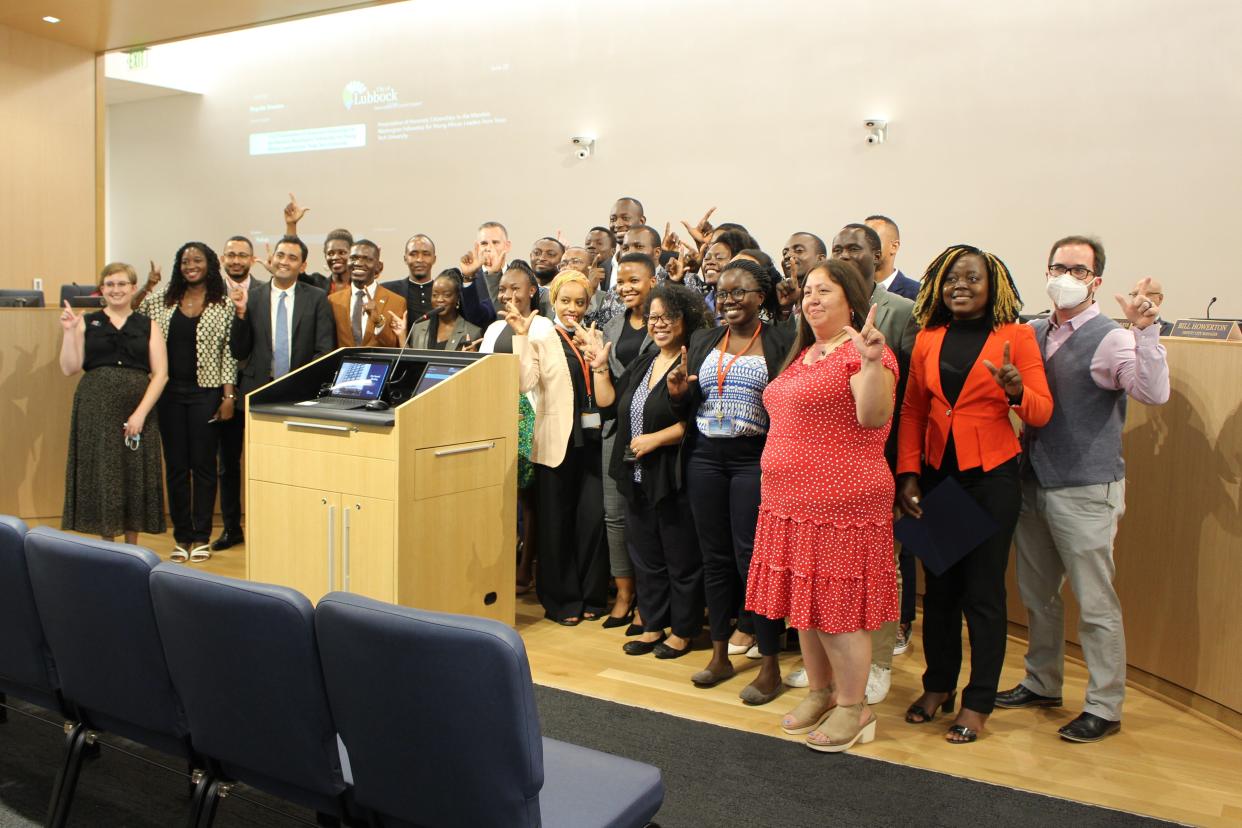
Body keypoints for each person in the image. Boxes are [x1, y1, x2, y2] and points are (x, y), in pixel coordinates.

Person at [996, 235, 1169, 743]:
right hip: (1034, 482)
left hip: (1087, 487)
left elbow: (1152, 392)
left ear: (1096, 280)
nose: (1064, 276)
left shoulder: (1111, 338)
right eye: (1057, 266)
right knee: (1037, 594)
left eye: (1077, 269)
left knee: (1094, 602)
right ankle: (1042, 680)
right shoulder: (1031, 331)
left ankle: (1105, 704)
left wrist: (1146, 331)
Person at [895, 245, 1053, 743]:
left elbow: (1042, 411)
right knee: (938, 593)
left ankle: (979, 701)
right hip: (938, 476)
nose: (959, 286)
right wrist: (907, 474)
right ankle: (938, 685)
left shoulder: (1017, 336)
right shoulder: (928, 338)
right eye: (950, 278)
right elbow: (913, 412)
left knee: (982, 595)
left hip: (991, 478)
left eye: (972, 278)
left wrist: (1013, 391)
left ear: (994, 286)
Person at [745, 259, 899, 752]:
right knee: (804, 609)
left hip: (840, 504)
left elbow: (873, 417)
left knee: (836, 614)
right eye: (807, 291)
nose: (811, 299)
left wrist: (873, 362)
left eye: (823, 291)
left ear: (851, 299)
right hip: (789, 503)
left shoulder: (863, 352)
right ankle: (822, 691)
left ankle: (855, 708)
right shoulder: (807, 353)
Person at [668, 259, 792, 702]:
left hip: (753, 460)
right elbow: (689, 404)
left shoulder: (782, 341)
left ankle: (770, 663)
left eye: (739, 292)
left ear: (762, 297)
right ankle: (720, 654)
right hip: (705, 457)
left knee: (751, 560)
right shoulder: (703, 340)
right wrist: (679, 395)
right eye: (722, 293)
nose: (729, 300)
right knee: (714, 557)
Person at [598, 283, 711, 658]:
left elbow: (697, 421)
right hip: (636, 474)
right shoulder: (644, 361)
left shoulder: (694, 361)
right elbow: (611, 405)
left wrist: (655, 439)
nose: (658, 324)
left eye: (667, 317)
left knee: (680, 557)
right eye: (652, 318)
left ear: (684, 319)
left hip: (672, 473)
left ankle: (682, 631)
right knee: (646, 554)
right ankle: (654, 624)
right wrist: (600, 369)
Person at [502, 270, 610, 624]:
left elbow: (605, 392)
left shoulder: (593, 334)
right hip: (555, 441)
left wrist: (596, 358)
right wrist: (520, 338)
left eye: (580, 302)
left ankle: (592, 594)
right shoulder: (539, 332)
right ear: (554, 300)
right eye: (566, 301)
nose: (573, 309)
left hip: (592, 443)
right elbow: (524, 383)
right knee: (556, 524)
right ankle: (562, 601)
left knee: (591, 522)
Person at [140, 242, 238, 562]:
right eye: (184, 261)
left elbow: (228, 353)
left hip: (206, 393)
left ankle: (202, 536)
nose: (190, 265)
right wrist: (147, 285)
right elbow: (135, 318)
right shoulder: (161, 300)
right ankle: (182, 536)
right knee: (177, 468)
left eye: (196, 260)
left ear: (209, 264)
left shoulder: (222, 303)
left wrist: (228, 396)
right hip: (169, 394)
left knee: (204, 466)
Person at [60, 263, 168, 545]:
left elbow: (161, 374)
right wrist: (70, 332)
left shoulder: (148, 325)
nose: (116, 290)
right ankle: (106, 546)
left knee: (133, 472)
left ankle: (132, 546)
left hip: (137, 408)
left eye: (122, 284)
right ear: (102, 289)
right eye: (110, 284)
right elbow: (69, 368)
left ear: (133, 288)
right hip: (95, 408)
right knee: (102, 470)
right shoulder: (87, 321)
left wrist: (141, 413)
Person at [479, 260, 555, 594]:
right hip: (495, 418)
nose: (508, 294)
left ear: (532, 292)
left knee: (528, 501)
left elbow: (540, 382)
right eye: (503, 288)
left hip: (531, 419)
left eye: (516, 288)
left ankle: (526, 569)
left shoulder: (543, 328)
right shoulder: (494, 329)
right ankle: (500, 564)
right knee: (499, 500)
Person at [598, 253, 661, 632]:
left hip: (652, 432)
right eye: (621, 282)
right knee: (614, 517)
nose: (626, 288)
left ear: (652, 281)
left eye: (634, 280)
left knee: (646, 518)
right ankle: (624, 592)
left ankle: (649, 603)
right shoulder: (612, 323)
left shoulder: (665, 321)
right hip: (614, 431)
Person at [229, 235, 337, 396]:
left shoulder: (317, 298)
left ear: (302, 266)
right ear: (272, 259)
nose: (284, 262)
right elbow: (239, 352)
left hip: (301, 389)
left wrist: (305, 381)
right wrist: (240, 314)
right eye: (280, 255)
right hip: (257, 388)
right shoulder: (252, 297)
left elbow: (325, 349)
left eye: (292, 258)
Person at [213, 234, 261, 552]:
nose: (236, 260)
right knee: (227, 464)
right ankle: (232, 528)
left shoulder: (265, 293)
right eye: (231, 255)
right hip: (221, 390)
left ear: (252, 260)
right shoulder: (211, 293)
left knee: (262, 464)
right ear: (222, 258)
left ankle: (264, 526)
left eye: (242, 255)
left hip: (258, 387)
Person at [328, 240, 405, 347]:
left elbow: (395, 346)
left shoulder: (396, 302)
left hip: (379, 363)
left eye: (367, 259)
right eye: (353, 258)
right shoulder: (333, 300)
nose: (358, 263)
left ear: (379, 266)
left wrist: (378, 322)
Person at [401, 270, 482, 350]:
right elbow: (411, 361)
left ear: (457, 298)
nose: (439, 299)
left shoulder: (472, 332)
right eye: (435, 295)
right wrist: (401, 335)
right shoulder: (418, 328)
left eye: (446, 295)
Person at [380, 234, 438, 322]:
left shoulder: (445, 293)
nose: (419, 259)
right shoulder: (387, 290)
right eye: (413, 254)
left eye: (426, 254)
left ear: (434, 259)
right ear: (405, 258)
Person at [866, 215, 920, 300]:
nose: (864, 247)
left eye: (872, 240)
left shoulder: (917, 293)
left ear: (894, 246)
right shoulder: (848, 291)